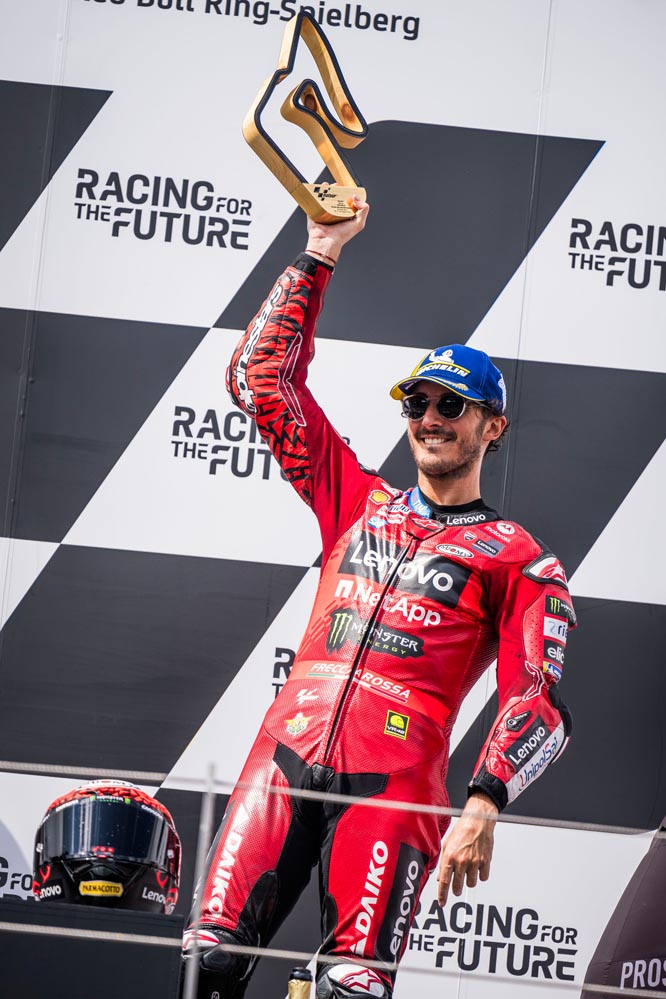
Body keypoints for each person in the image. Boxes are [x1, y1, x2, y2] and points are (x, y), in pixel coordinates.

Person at [181, 201, 574, 999]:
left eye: (451, 406)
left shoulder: (520, 557)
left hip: (395, 787)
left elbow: (536, 699)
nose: (429, 419)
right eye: (417, 403)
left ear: (492, 427)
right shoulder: (355, 500)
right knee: (205, 965)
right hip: (282, 759)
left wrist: (485, 801)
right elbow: (259, 379)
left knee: (350, 989)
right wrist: (319, 250)